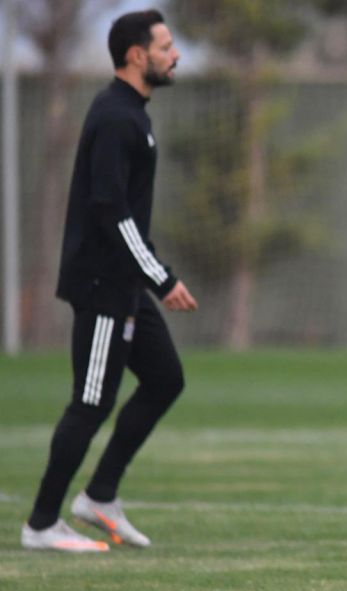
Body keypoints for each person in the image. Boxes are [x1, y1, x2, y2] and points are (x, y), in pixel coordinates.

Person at [21, 10, 196, 553]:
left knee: (165, 378)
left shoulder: (132, 115)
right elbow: (111, 211)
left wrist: (146, 280)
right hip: (103, 287)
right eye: (166, 46)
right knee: (92, 401)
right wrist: (161, 277)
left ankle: (99, 496)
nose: (176, 55)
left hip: (124, 286)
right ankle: (43, 524)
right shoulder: (117, 117)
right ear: (138, 55)